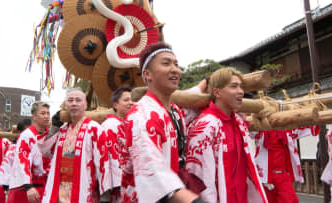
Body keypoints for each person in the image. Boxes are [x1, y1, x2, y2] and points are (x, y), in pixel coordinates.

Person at [120, 42, 202, 203]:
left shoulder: (175, 110)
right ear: (148, 74)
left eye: (176, 64)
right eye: (166, 63)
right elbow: (150, 165)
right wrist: (190, 199)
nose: (175, 69)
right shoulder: (140, 115)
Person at [184, 67, 268, 203]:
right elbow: (200, 179)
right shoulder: (205, 126)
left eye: (241, 87)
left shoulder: (239, 122)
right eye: (234, 86)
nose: (240, 91)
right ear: (217, 92)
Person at [37, 88, 111, 203]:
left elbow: (103, 162)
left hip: (83, 187)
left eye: (78, 100)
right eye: (70, 100)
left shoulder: (95, 129)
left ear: (86, 104)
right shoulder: (61, 129)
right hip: (59, 189)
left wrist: (105, 194)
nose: (74, 103)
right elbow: (45, 151)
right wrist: (54, 128)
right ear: (65, 105)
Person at [251, 127, 319, 203]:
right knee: (265, 200)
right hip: (265, 177)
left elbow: (305, 126)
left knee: (290, 200)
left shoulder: (288, 130)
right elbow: (248, 129)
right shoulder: (261, 130)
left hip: (283, 175)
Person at [7, 109, 49, 203]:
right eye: (43, 113)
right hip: (24, 185)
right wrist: (28, 186)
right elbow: (20, 163)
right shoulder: (25, 137)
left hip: (41, 183)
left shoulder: (45, 137)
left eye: (48, 113)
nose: (46, 116)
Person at [101, 85, 134, 203]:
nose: (131, 103)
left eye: (133, 99)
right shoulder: (110, 125)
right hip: (118, 184)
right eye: (126, 100)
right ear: (115, 105)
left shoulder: (135, 123)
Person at [0, 118, 32, 193]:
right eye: (25, 131)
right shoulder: (14, 146)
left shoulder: (39, 142)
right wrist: (5, 182)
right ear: (19, 132)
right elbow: (7, 164)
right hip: (18, 184)